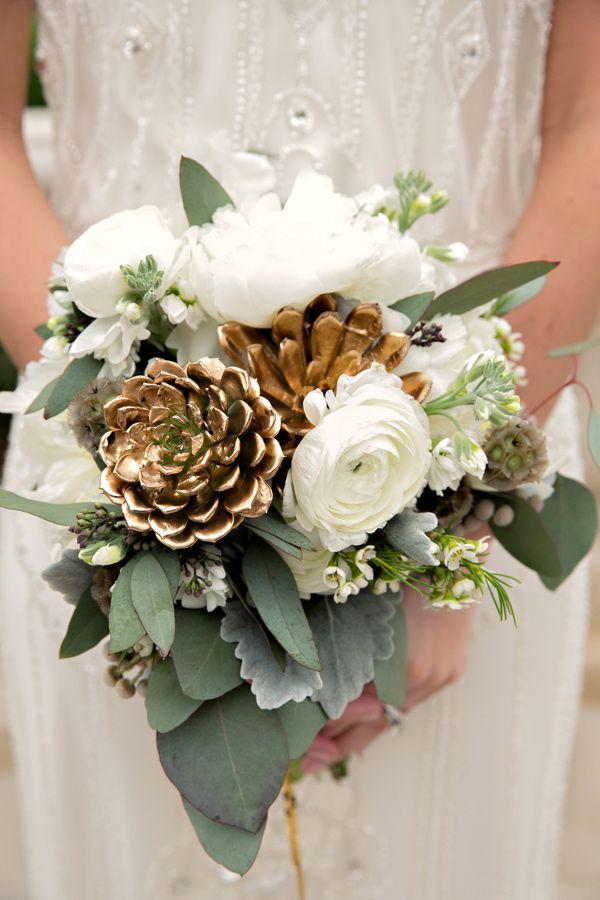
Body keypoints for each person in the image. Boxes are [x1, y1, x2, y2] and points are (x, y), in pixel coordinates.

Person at [0, 2, 597, 897]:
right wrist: (140, 468)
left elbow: (589, 122)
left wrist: (453, 530)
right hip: (108, 504)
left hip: (482, 440)